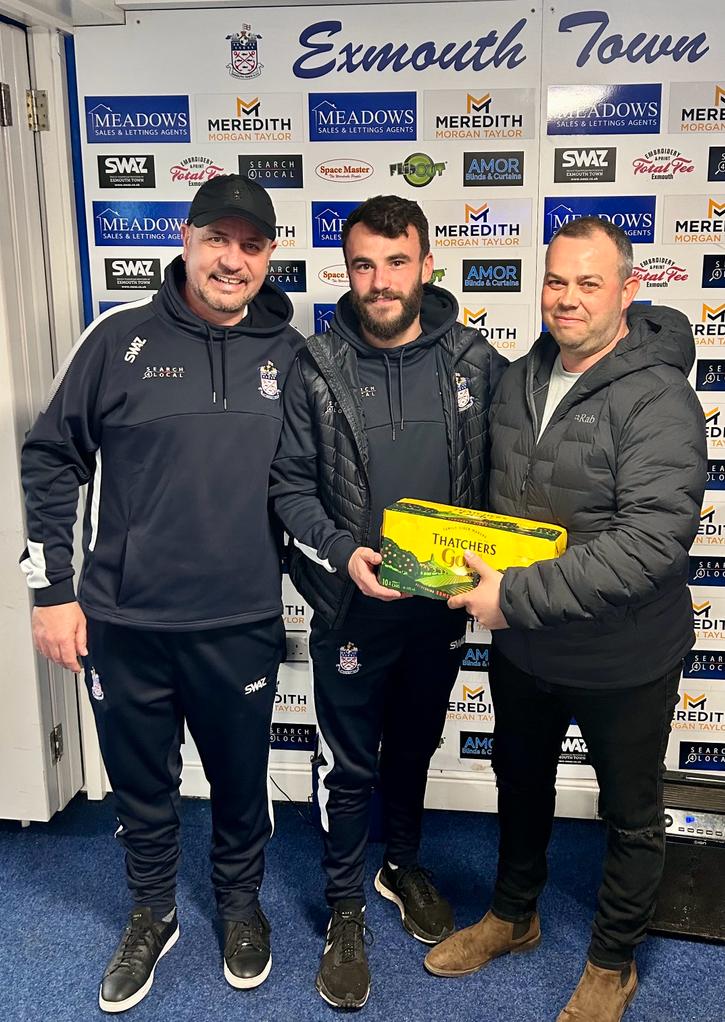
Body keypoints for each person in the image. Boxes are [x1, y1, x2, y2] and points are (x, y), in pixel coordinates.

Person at [20, 174, 303, 1012]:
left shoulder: (291, 357)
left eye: (251, 245)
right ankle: (151, 910)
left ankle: (240, 903)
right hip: (123, 621)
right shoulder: (118, 340)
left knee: (241, 780)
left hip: (240, 622)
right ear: (185, 239)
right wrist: (51, 592)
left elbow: (312, 486)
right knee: (143, 785)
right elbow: (49, 457)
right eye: (217, 238)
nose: (232, 259)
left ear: (268, 257)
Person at [423, 217, 707, 1022]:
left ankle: (611, 962)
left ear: (627, 288)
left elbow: (649, 543)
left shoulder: (660, 397)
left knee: (630, 815)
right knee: (520, 785)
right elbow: (497, 506)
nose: (567, 299)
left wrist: (506, 598)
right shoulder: (518, 377)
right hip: (526, 651)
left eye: (588, 283)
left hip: (623, 655)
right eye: (555, 281)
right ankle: (512, 918)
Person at [271, 194, 507, 1009]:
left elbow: (508, 480)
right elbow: (289, 489)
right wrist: (341, 551)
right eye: (364, 264)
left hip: (440, 610)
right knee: (350, 766)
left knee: (413, 745)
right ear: (347, 268)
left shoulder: (475, 362)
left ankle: (400, 864)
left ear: (426, 265)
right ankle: (343, 908)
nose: (379, 281)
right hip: (353, 606)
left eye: (395, 261)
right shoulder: (314, 364)